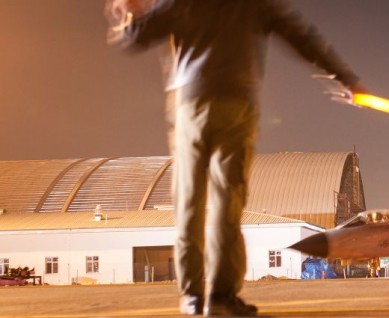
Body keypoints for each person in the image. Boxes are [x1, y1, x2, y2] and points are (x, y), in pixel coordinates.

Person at [106, 0, 366, 316]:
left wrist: (129, 11)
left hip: (192, 105)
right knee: (227, 202)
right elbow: (303, 37)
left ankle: (191, 297)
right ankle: (221, 297)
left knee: (189, 203)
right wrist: (346, 79)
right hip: (236, 104)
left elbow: (136, 38)